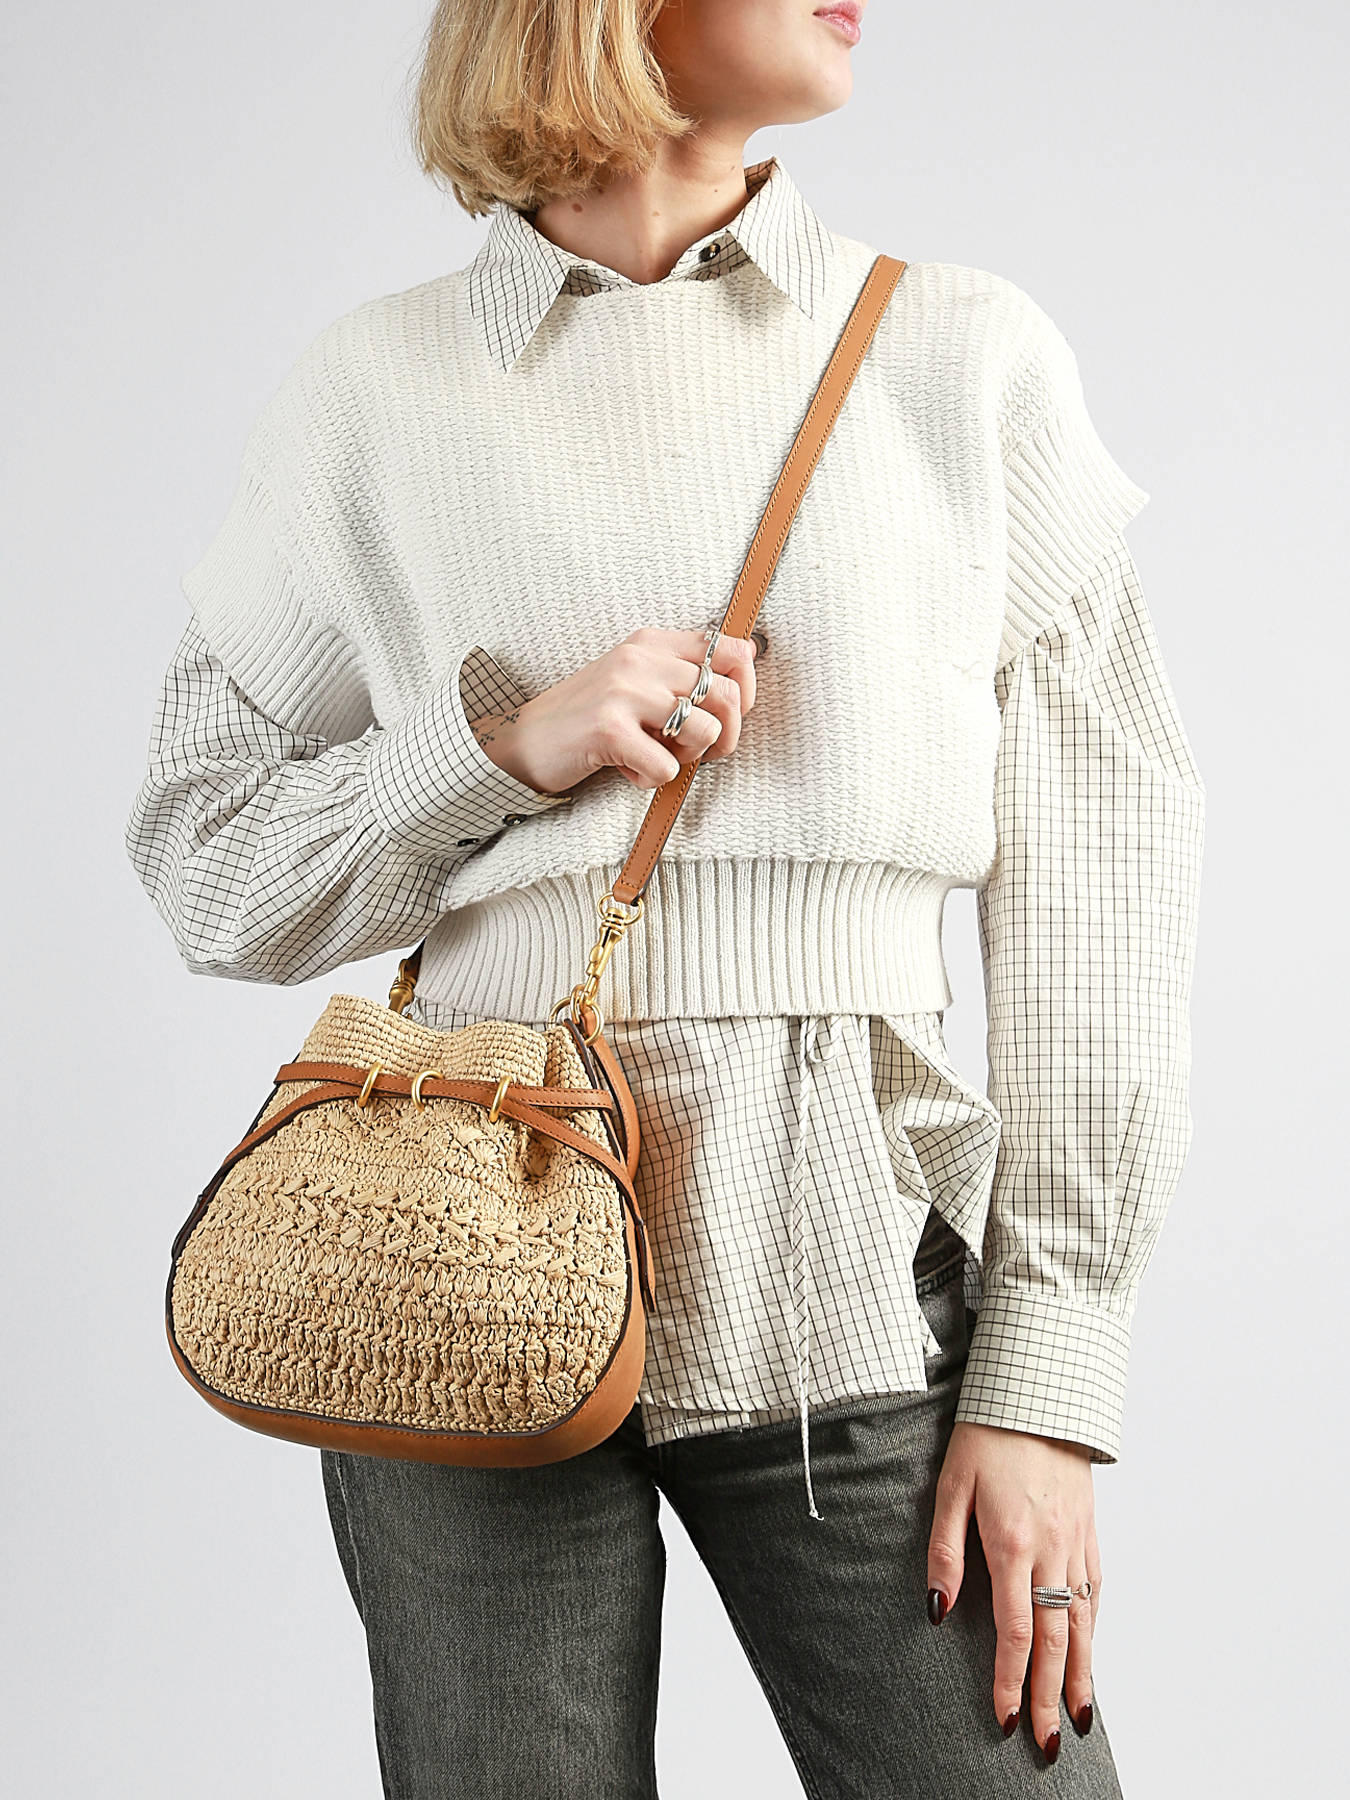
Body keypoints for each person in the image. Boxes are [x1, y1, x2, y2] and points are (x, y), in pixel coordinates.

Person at [124, 2, 1205, 1793]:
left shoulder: (957, 354)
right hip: (449, 1254)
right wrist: (502, 748)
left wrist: (1047, 1377)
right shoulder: (373, 389)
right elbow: (205, 858)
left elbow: (1107, 897)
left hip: (841, 1237)